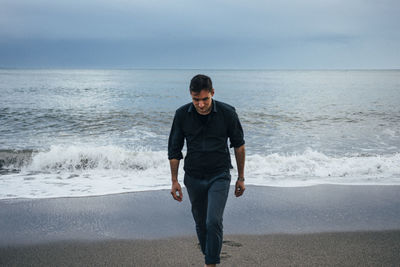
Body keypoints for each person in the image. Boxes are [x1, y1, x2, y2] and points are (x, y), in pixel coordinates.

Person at [168, 74, 245, 267]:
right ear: (190, 95)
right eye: (196, 100)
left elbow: (239, 146)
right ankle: (209, 254)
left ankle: (210, 263)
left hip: (219, 175)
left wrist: (241, 178)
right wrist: (174, 181)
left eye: (205, 99)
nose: (201, 105)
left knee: (213, 221)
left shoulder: (228, 113)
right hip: (193, 177)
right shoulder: (181, 115)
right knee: (201, 224)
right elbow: (174, 150)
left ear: (212, 93)